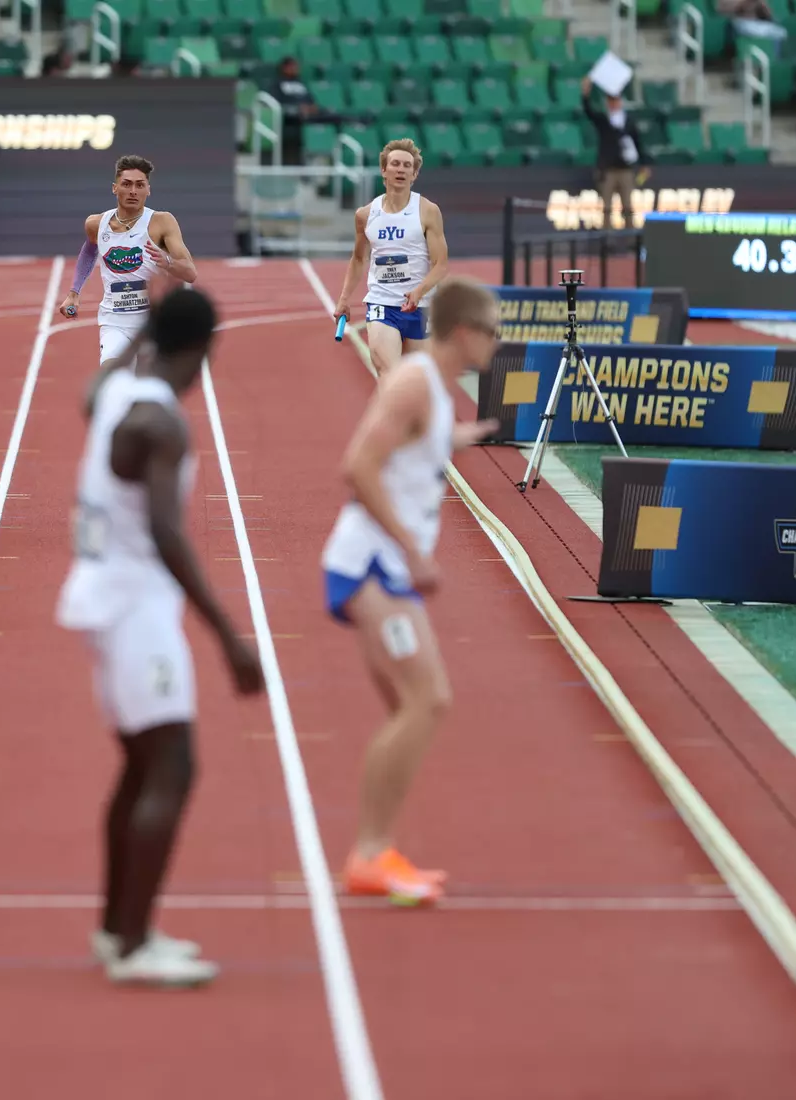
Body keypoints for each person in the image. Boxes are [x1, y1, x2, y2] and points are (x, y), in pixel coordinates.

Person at [56, 285, 263, 987]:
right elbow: (167, 533)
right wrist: (227, 634)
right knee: (172, 766)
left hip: (102, 596)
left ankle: (119, 930)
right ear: (205, 351)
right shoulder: (161, 424)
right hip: (136, 606)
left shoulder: (118, 393)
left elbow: (90, 391)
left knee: (142, 766)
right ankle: (136, 942)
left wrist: (146, 322)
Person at [320, 276, 501, 905]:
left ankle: (378, 849)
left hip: (381, 567)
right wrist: (413, 550)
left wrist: (453, 440)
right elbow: (357, 466)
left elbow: (404, 449)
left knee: (414, 705)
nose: (498, 343)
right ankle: (369, 854)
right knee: (429, 700)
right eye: (493, 332)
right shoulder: (414, 383)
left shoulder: (434, 390)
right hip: (372, 566)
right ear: (462, 332)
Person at [58, 155, 198, 382]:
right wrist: (74, 292)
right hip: (115, 320)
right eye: (127, 184)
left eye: (139, 185)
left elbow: (190, 273)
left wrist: (167, 262)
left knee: (147, 387)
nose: (133, 191)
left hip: (153, 323)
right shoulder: (96, 223)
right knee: (112, 381)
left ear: (148, 190)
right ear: (115, 188)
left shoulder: (161, 222)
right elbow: (90, 249)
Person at [332, 138, 450, 378]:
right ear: (384, 170)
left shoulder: (428, 211)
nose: (401, 169)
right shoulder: (366, 215)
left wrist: (418, 292)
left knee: (415, 383)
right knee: (389, 374)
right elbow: (358, 259)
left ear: (414, 174)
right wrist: (344, 299)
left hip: (420, 307)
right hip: (381, 304)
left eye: (407, 166)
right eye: (395, 164)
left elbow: (441, 265)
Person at [580, 75, 650, 231]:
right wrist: (585, 94)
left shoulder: (629, 122)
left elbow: (638, 143)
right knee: (606, 208)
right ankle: (606, 242)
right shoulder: (604, 121)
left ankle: (632, 240)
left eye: (616, 100)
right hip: (608, 169)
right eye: (610, 100)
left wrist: (644, 164)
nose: (613, 103)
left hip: (626, 169)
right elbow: (588, 112)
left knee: (627, 206)